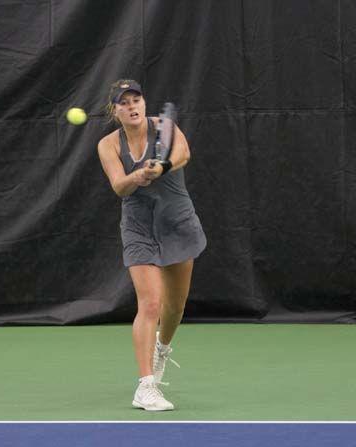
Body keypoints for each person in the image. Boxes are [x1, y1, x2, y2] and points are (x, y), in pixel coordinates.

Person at [97, 80, 207, 411]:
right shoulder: (108, 145)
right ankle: (145, 386)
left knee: (174, 308)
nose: (132, 106)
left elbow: (183, 153)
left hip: (177, 222)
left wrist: (161, 166)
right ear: (114, 110)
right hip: (139, 226)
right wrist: (137, 177)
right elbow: (119, 186)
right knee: (151, 304)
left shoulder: (165, 127)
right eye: (124, 102)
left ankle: (161, 349)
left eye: (137, 99)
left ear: (144, 102)